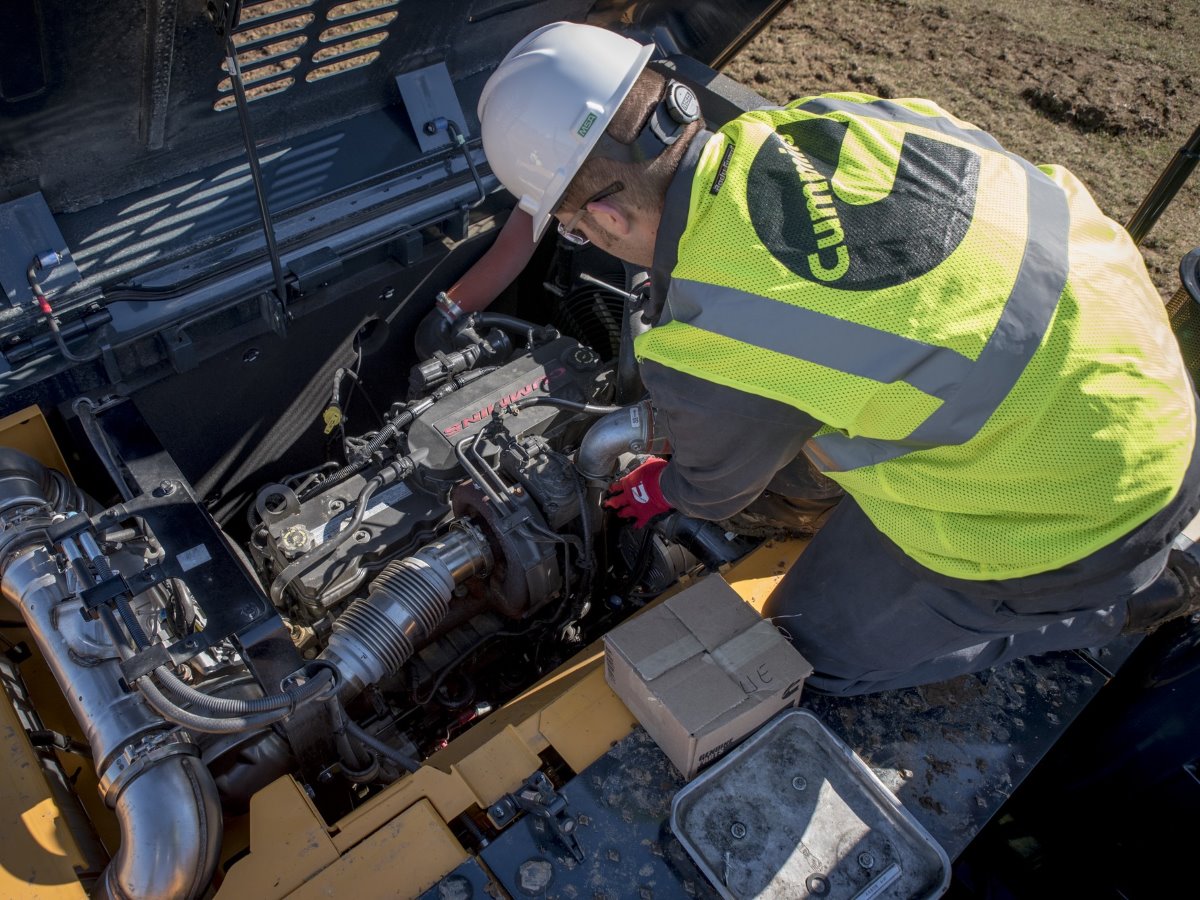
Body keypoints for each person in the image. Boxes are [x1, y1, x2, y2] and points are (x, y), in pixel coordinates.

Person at [437, 21, 1200, 696]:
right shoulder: (832, 120)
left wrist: (659, 485)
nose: (585, 241)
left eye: (575, 231)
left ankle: (1116, 602)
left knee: (807, 647)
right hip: (1151, 386)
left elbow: (711, 492)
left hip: (1085, 514)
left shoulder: (711, 343)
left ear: (602, 213)